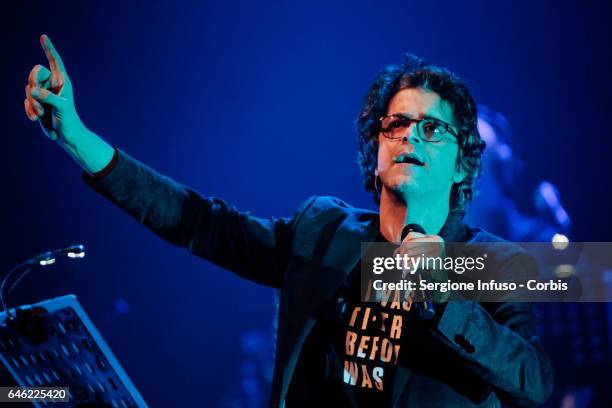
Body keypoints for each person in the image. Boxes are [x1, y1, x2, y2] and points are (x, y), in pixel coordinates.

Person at [23, 34, 553, 407]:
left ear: (463, 161)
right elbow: (199, 223)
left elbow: (534, 380)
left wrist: (442, 298)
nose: (410, 135)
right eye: (397, 123)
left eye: (433, 129)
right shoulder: (323, 231)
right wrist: (77, 138)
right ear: (376, 148)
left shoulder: (498, 263)